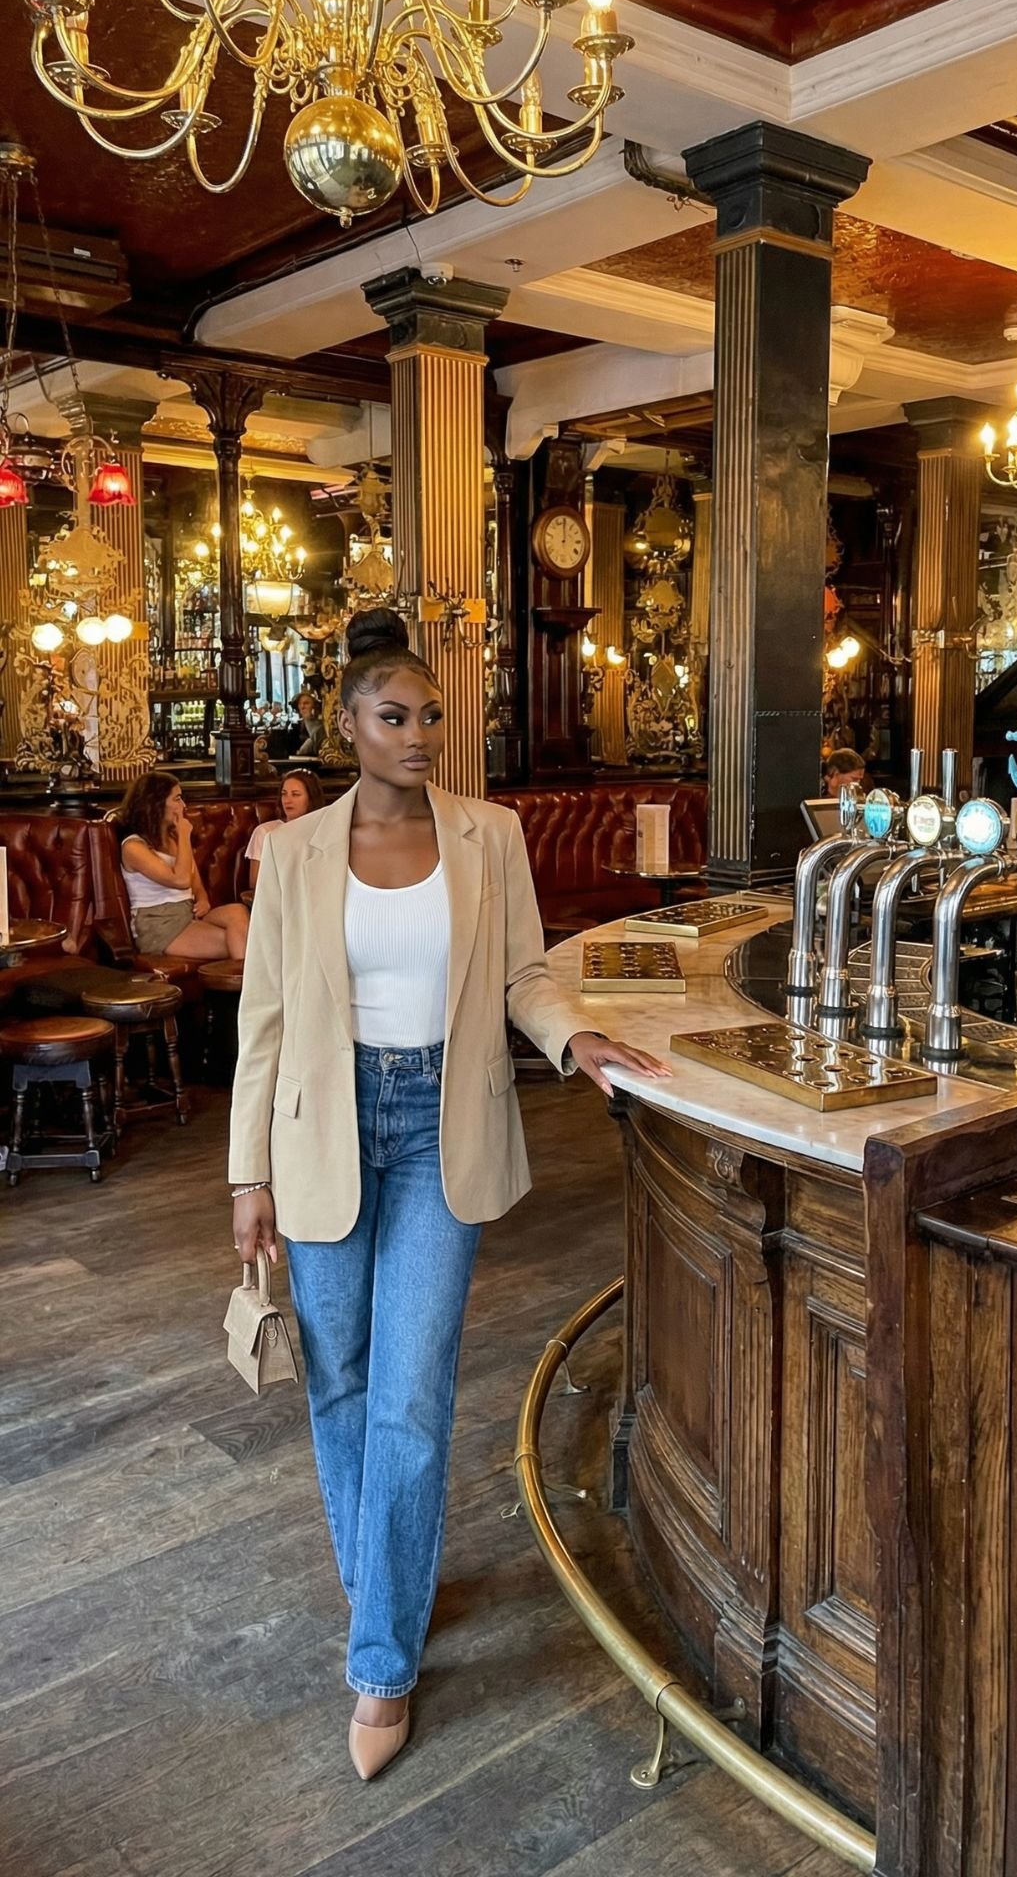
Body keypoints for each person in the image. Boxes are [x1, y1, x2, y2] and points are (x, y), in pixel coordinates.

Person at [228, 608, 669, 1782]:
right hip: (322, 1128)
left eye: (431, 714)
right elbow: (263, 1018)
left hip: (441, 1125)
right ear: (347, 725)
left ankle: (380, 1660)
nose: (420, 732)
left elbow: (524, 971)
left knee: (412, 1391)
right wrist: (245, 1172)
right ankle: (382, 1573)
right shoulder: (293, 852)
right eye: (395, 715)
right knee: (339, 1377)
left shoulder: (491, 834)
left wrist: (576, 1038)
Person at [118, 773, 250, 961]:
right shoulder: (133, 847)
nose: (184, 806)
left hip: (187, 913)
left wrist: (203, 898)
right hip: (159, 924)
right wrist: (184, 835)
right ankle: (247, 980)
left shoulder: (172, 838)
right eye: (177, 799)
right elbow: (181, 880)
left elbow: (194, 881)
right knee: (241, 941)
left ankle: (245, 978)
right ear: (156, 803)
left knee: (238, 912)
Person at [244, 768, 325, 894]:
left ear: (311, 798)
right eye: (284, 794)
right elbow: (255, 883)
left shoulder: (324, 832)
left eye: (295, 794)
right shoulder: (265, 832)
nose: (287, 800)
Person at [292, 690, 325, 758]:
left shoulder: (322, 724)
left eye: (306, 703)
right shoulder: (297, 726)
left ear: (314, 706)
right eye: (300, 704)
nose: (302, 707)